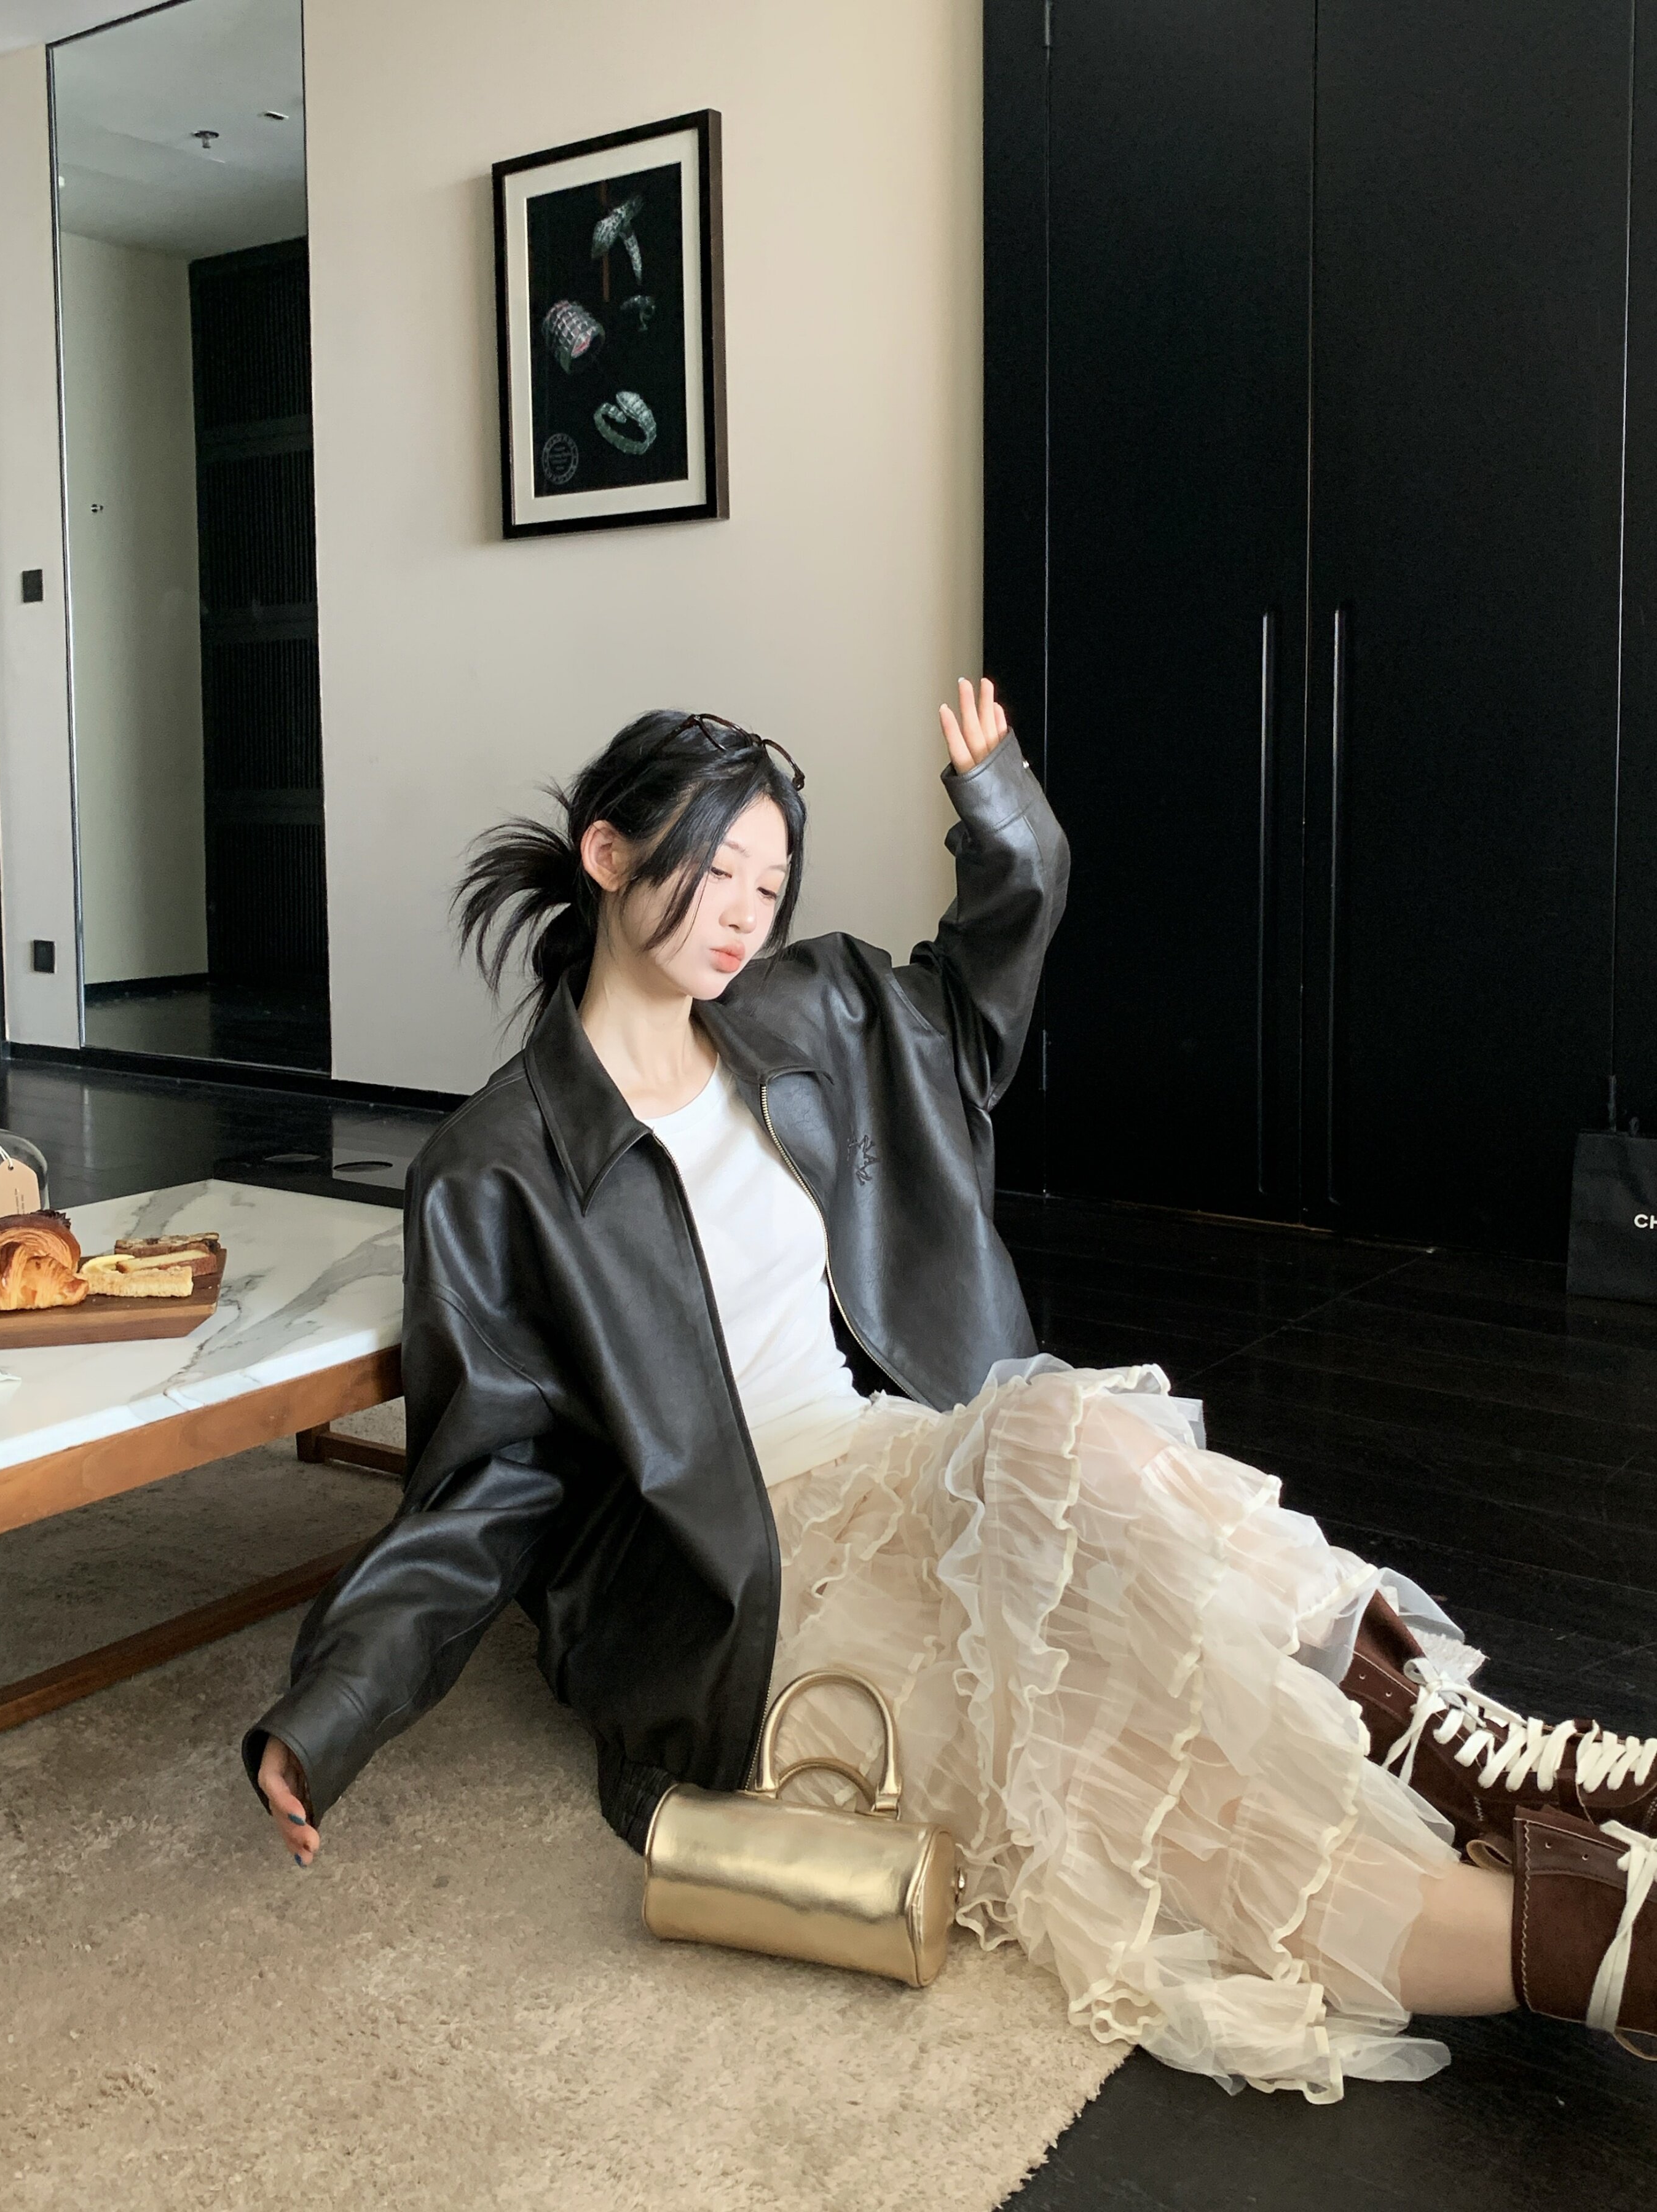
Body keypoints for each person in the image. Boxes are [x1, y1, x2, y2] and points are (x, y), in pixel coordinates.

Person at [245, 682, 1657, 2100]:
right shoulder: (494, 1168)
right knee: (1115, 1769)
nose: (743, 914)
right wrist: (332, 1708)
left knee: (1081, 1448)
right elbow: (483, 1487)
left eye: (769, 885)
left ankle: (1480, 1760)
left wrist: (1002, 815)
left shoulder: (801, 1012)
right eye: (714, 869)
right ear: (607, 855)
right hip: (744, 1584)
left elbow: (979, 998)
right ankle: (1602, 1945)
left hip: (894, 1461)